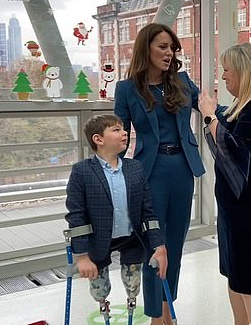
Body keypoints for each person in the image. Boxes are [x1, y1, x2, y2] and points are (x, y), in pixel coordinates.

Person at [114, 23, 205, 324]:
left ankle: (168, 309)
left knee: (175, 245)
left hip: (182, 170)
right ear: (146, 48)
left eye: (172, 48)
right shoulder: (127, 89)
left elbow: (207, 107)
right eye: (162, 47)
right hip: (149, 174)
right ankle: (155, 315)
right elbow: (118, 134)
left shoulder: (182, 81)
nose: (169, 53)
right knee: (154, 244)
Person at [199, 43, 251, 325]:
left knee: (250, 282)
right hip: (236, 206)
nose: (223, 77)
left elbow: (234, 150)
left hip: (250, 207)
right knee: (236, 277)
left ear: (243, 72)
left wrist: (209, 116)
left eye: (227, 70)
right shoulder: (242, 106)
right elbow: (226, 127)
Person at [65, 115, 167, 316]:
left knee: (133, 284)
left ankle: (131, 304)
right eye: (116, 130)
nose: (124, 133)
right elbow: (76, 216)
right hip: (98, 240)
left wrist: (159, 245)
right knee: (99, 288)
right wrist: (82, 257)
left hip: (132, 239)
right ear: (98, 139)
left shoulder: (134, 168)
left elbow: (148, 211)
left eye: (123, 129)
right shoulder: (81, 172)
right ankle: (103, 307)